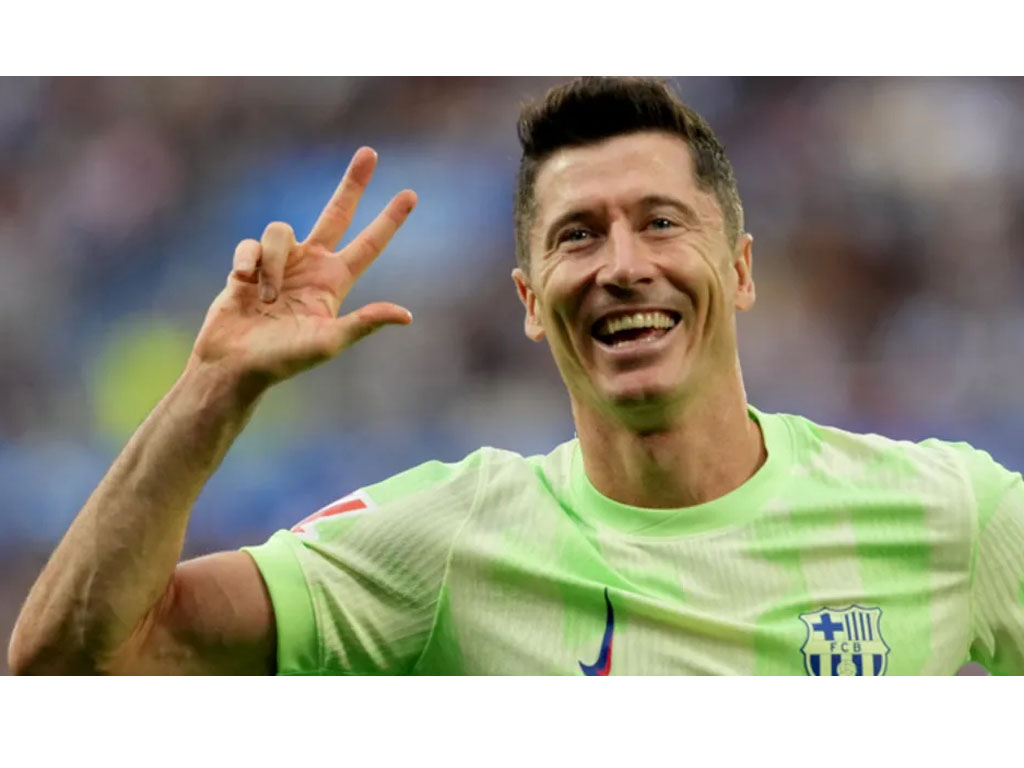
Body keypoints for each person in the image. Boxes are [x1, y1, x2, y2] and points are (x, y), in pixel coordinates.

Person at [8, 77, 1024, 676]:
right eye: (578, 235)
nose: (622, 264)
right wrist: (211, 389)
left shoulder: (950, 513)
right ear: (532, 302)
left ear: (742, 270)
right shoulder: (442, 544)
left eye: (661, 222)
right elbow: (67, 665)